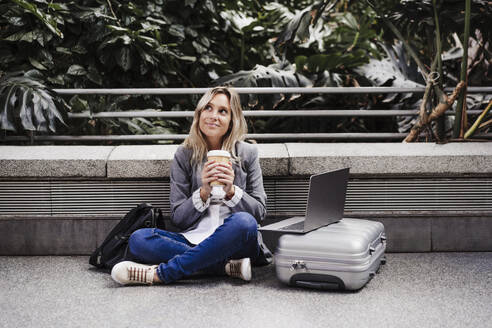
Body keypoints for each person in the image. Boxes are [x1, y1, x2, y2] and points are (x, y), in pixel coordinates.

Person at [111, 86, 271, 285]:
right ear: (199, 113)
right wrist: (203, 192)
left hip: (237, 242)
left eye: (223, 111)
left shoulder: (248, 153)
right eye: (208, 108)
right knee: (139, 239)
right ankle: (225, 267)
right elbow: (179, 217)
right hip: (194, 239)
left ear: (232, 119)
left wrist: (231, 191)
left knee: (244, 222)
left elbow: (259, 213)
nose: (214, 116)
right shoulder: (185, 154)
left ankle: (160, 274)